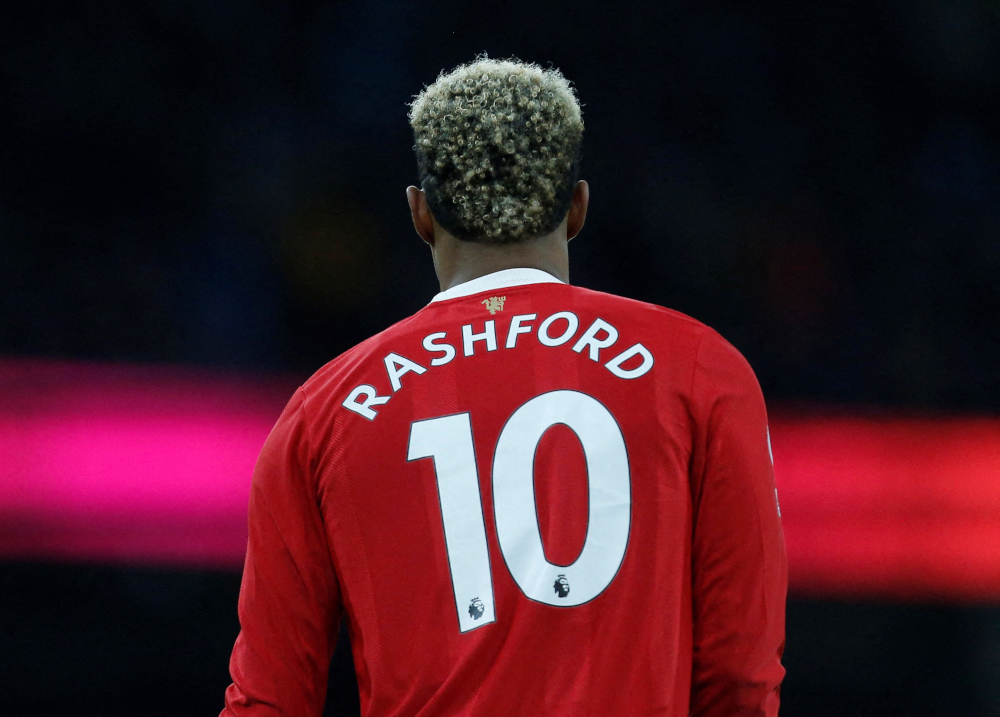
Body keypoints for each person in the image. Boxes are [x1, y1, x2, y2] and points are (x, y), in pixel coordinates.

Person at [220, 56, 786, 717]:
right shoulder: (700, 369)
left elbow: (268, 700)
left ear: (420, 213)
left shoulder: (325, 411)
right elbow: (740, 681)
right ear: (577, 207)